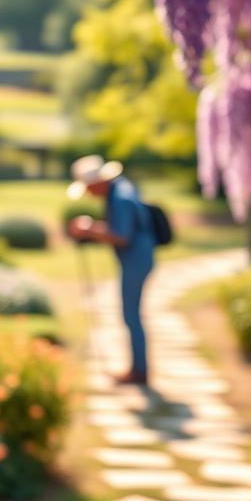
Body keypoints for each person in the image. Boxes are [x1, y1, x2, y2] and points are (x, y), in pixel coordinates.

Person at [67, 155, 156, 385]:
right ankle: (138, 367)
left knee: (131, 315)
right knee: (132, 314)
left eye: (88, 188)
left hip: (136, 258)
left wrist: (89, 229)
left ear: (98, 182)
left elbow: (122, 236)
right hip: (140, 256)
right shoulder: (120, 189)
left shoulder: (120, 198)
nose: (89, 193)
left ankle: (139, 371)